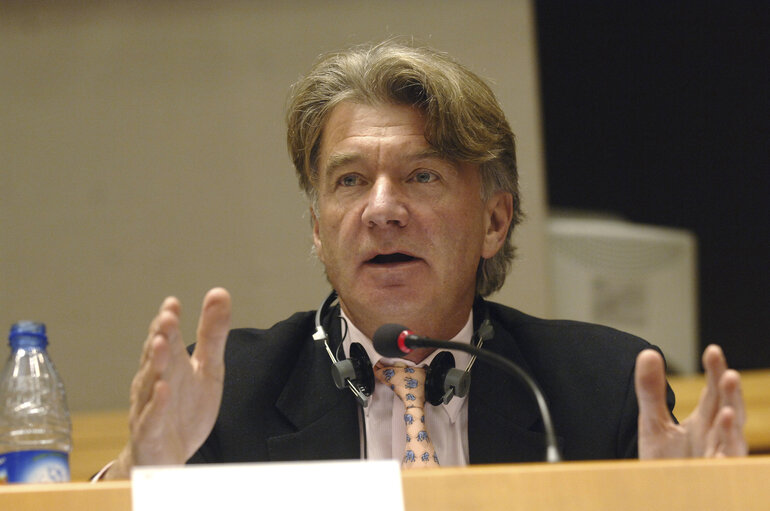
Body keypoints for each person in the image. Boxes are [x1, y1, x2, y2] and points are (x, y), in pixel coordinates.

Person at [102, 40, 746, 478]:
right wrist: (140, 474)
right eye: (350, 181)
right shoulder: (227, 395)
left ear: (495, 220)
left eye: (422, 176)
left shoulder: (600, 388)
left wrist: (695, 498)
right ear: (319, 231)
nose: (382, 209)